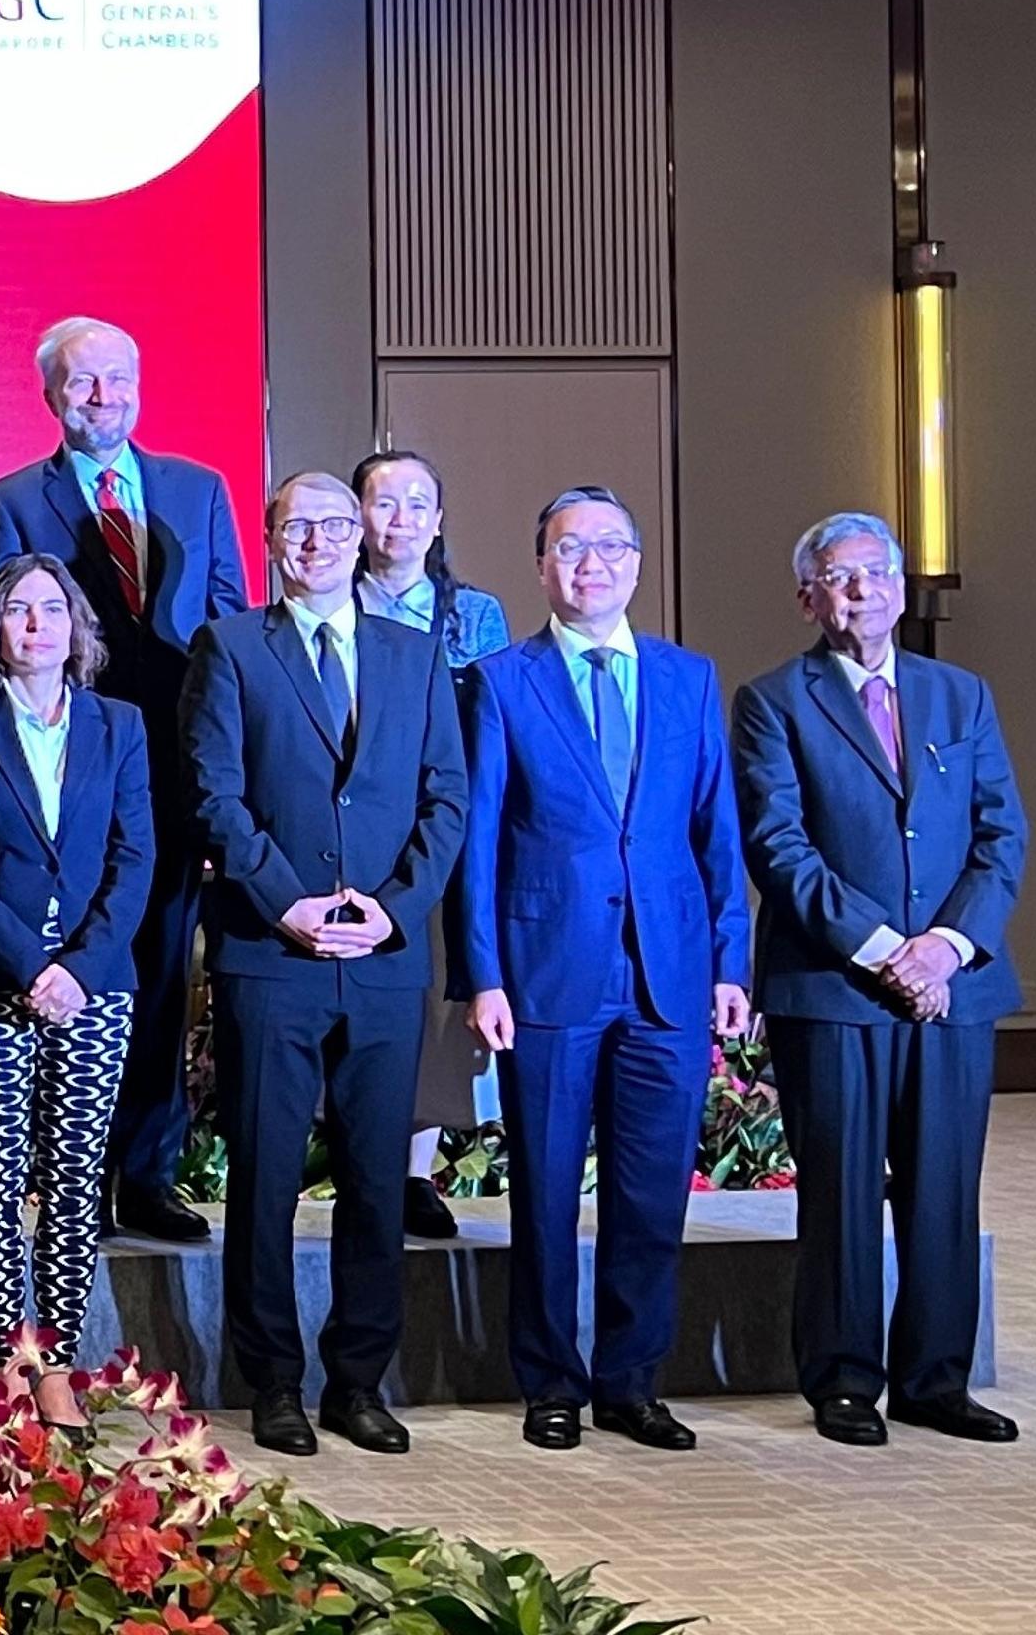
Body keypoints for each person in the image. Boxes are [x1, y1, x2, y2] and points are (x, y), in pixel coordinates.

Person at [457, 487, 747, 1454]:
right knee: (543, 1189)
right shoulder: (501, 680)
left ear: (635, 562)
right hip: (547, 972)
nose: (592, 565)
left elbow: (718, 837)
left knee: (653, 1192)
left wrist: (728, 963)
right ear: (541, 566)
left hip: (667, 972)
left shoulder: (687, 678)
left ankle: (633, 1382)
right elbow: (480, 842)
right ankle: (549, 1382)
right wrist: (485, 976)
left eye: (611, 548)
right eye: (570, 549)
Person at [182, 471, 466, 1458]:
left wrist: (389, 910)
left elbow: (446, 800)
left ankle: (358, 1378)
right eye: (298, 524)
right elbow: (214, 794)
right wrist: (285, 899)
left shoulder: (415, 653)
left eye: (336, 524)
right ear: (270, 538)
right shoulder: (230, 647)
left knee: (377, 1180)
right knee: (264, 1177)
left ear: (363, 537)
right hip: (273, 951)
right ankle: (272, 1381)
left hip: (383, 959)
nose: (319, 539)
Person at [733, 512, 1025, 1449]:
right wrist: (884, 950)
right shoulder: (774, 700)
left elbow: (1000, 836)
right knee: (843, 1188)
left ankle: (936, 1379)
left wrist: (944, 948)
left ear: (901, 587)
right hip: (834, 987)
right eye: (839, 576)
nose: (862, 590)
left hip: (953, 989)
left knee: (944, 1185)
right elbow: (779, 845)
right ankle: (845, 1380)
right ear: (807, 597)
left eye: (877, 573)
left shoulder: (961, 696)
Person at [0, 317, 248, 1244]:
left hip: (172, 778)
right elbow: (2, 648)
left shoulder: (198, 491)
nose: (104, 398)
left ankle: (148, 1175)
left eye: (119, 379)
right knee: (71, 971)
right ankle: (69, 1189)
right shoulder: (13, 500)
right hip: (68, 781)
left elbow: (228, 647)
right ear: (51, 396)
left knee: (163, 976)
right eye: (84, 383)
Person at [0, 555, 152, 1422]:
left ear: (77, 626)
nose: (37, 625)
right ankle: (8, 1357)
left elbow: (137, 860)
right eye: (18, 610)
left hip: (97, 984)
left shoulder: (119, 726)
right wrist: (29, 968)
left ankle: (57, 1355)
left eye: (53, 609)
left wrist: (78, 970)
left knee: (76, 1174)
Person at [352, 448, 514, 1244]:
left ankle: (414, 1173)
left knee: (432, 1001)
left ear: (439, 521)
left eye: (420, 503)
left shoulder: (474, 616)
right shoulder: (327, 601)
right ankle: (354, 1161)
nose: (403, 519)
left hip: (441, 831)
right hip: (348, 830)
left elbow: (488, 735)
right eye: (385, 503)